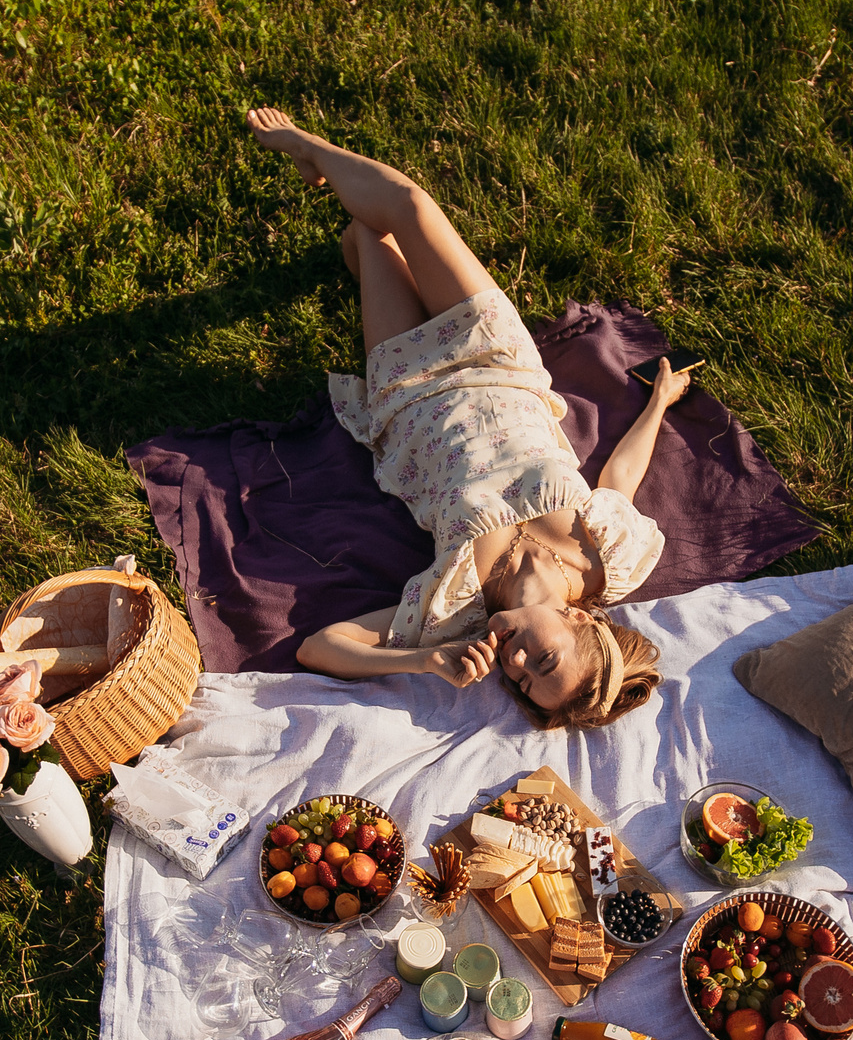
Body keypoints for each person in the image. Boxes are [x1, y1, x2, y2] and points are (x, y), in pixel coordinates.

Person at [246, 107, 687, 730]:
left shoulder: (457, 610)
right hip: (500, 360)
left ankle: (361, 232)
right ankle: (306, 146)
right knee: (409, 206)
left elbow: (319, 647)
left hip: (411, 392)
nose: (516, 663)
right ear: (580, 620)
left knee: (368, 234)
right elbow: (620, 481)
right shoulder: (610, 555)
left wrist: (425, 660)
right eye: (545, 660)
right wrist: (658, 403)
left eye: (522, 682)